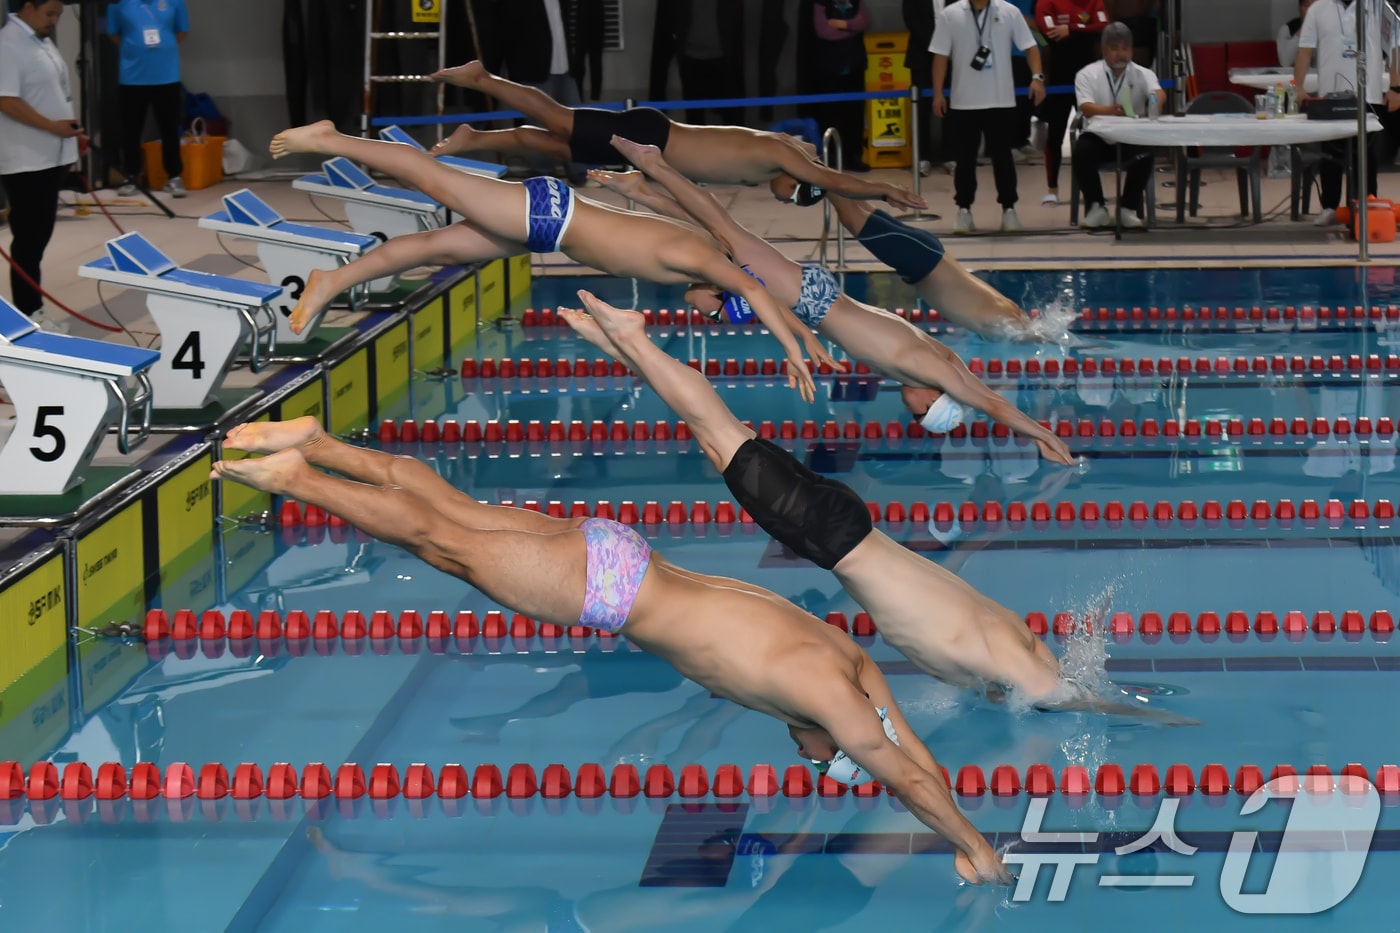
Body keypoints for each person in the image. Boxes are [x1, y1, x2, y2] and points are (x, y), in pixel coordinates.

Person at [209, 414, 1015, 886]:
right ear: (835, 732)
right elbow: (899, 767)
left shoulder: (847, 661)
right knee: (439, 540)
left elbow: (902, 739)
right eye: (820, 759)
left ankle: (318, 441)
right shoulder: (824, 695)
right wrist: (973, 846)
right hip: (606, 590)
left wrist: (921, 781)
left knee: (451, 507)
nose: (806, 758)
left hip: (622, 553)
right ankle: (298, 478)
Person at [561, 291, 1197, 727]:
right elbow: (1069, 698)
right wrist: (1151, 718)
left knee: (715, 434)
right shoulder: (1021, 671)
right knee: (716, 431)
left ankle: (619, 345)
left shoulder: (1009, 635)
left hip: (850, 525)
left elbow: (982, 566)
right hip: (834, 536)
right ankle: (632, 341)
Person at [268, 121, 833, 400]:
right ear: (722, 292)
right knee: (434, 178)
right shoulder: (704, 261)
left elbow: (689, 204)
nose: (704, 315)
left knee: (434, 247)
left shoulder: (701, 251)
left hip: (549, 230)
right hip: (550, 214)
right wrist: (795, 346)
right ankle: (332, 138)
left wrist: (801, 333)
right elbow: (757, 291)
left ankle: (332, 279)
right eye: (716, 313)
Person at [590, 138, 1074, 461]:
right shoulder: (939, 372)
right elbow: (993, 405)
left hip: (817, 302)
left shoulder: (933, 364)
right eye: (919, 414)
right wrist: (1046, 436)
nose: (909, 411)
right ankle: (654, 165)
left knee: (720, 245)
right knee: (727, 233)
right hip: (816, 301)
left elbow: (984, 397)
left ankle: (644, 190)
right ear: (934, 400)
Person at [427, 61, 926, 208]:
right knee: (559, 121)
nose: (782, 199)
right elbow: (836, 180)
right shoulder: (784, 158)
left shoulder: (781, 161)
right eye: (792, 198)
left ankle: (475, 137)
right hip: (650, 134)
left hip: (649, 147)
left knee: (557, 145)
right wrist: (885, 189)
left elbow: (818, 165)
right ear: (796, 185)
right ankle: (483, 78)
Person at [827, 193, 1036, 339]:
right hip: (922, 262)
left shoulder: (1008, 310)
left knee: (861, 209)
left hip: (929, 253)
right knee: (856, 218)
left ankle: (816, 168)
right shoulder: (1004, 325)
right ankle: (813, 173)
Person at [0, 0, 84, 333]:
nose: (55, 21)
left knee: (38, 238)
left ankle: (31, 310)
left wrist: (72, 132)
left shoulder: (39, 40)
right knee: (29, 241)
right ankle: (29, 313)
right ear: (28, 7)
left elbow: (51, 93)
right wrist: (53, 127)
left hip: (51, 156)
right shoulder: (9, 43)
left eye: (59, 15)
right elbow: (6, 100)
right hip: (26, 161)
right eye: (49, 13)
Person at [931, 0, 1047, 234]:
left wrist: (1037, 77)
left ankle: (1009, 209)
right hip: (964, 101)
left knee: (1003, 157)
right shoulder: (950, 14)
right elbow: (940, 56)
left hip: (1001, 100)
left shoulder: (1009, 12)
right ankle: (964, 210)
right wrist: (937, 94)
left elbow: (1030, 46)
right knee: (964, 159)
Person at [1293, 0, 1400, 227]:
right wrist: (1299, 86)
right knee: (1330, 156)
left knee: (1366, 158)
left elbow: (1395, 48)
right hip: (1330, 96)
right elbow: (1305, 51)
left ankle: (1366, 206)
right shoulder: (1318, 9)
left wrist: (1396, 87)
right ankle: (1330, 208)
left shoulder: (1379, 7)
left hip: (1368, 95)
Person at [1072, 21, 1163, 229]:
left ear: (1131, 50)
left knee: (1147, 152)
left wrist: (1156, 99)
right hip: (1100, 137)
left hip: (1132, 137)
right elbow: (1086, 107)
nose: (1120, 54)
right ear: (1103, 49)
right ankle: (1097, 207)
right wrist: (1111, 111)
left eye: (1125, 48)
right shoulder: (1087, 74)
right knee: (1081, 151)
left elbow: (1157, 93)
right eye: (1114, 49)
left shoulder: (1144, 74)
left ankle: (1127, 209)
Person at [106, 0, 190, 198]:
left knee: (170, 128)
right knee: (131, 130)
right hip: (132, 78)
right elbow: (113, 33)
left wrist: (163, 47)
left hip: (167, 76)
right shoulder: (118, 4)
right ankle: (132, 176)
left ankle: (174, 176)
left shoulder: (174, 2)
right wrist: (134, 49)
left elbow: (182, 31)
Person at [497, 0, 586, 179]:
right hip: (535, 71)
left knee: (577, 124)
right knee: (539, 125)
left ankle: (580, 173)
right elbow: (508, 35)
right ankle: (544, 174)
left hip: (566, 69)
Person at [1035, 0, 1107, 205]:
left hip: (1088, 76)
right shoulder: (1047, 1)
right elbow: (1051, 32)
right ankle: (1052, 189)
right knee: (1055, 132)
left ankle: (1091, 190)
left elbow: (1103, 26)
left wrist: (1071, 29)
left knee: (1091, 134)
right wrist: (1084, 30)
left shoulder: (1093, 1)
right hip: (1058, 76)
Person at [650, 0, 746, 126]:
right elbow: (662, 42)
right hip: (690, 58)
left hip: (723, 59)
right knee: (695, 119)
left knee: (731, 117)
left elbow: (736, 27)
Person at [812, 0, 871, 171]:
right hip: (829, 68)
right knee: (829, 114)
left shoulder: (856, 2)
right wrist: (852, 28)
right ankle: (829, 157)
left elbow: (864, 22)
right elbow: (824, 31)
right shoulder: (820, 3)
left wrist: (842, 24)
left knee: (855, 115)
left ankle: (853, 157)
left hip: (855, 65)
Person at [1278, 0, 1315, 67]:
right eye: (1307, 5)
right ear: (1299, 8)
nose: (1311, 10)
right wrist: (1303, 30)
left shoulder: (1327, 29)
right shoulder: (1287, 29)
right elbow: (1285, 62)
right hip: (1294, 74)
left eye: (1315, 6)